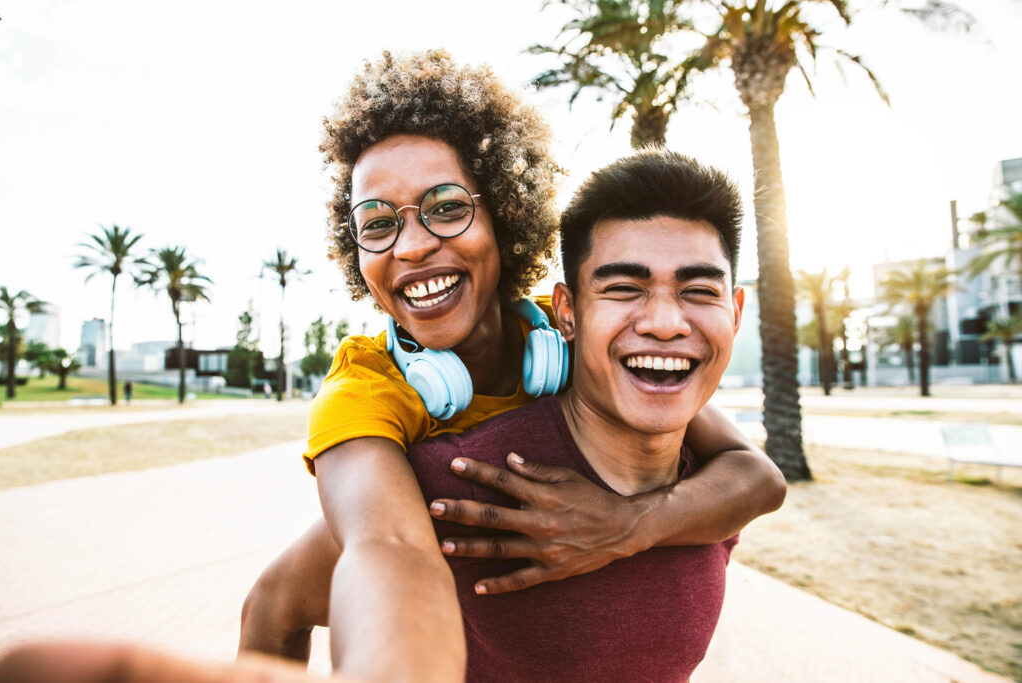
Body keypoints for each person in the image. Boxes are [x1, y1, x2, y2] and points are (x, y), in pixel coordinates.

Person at [0, 147, 777, 683]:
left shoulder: (705, 479)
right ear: (569, 314)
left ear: (736, 313)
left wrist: (630, 523)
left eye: (699, 290)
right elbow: (359, 565)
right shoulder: (462, 482)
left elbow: (759, 478)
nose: (666, 322)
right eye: (626, 287)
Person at [239, 50, 785, 681]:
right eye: (378, 224)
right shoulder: (368, 392)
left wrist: (626, 525)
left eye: (447, 207)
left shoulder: (585, 343)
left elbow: (758, 479)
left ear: (505, 214)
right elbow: (388, 551)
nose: (412, 245)